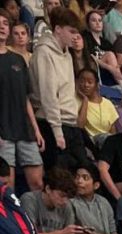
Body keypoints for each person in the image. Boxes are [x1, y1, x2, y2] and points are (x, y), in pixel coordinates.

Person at [30, 6, 90, 170]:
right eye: (71, 31)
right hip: (51, 124)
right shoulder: (44, 53)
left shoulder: (68, 55)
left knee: (84, 172)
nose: (75, 36)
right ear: (57, 30)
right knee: (59, 179)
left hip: (71, 123)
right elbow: (48, 94)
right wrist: (57, 132)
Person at [0, 12, 44, 191]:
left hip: (25, 129)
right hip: (3, 131)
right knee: (6, 188)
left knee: (37, 184)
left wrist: (36, 129)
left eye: (4, 23)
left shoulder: (18, 59)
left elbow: (25, 97)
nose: (2, 26)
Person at [75, 65, 117, 145]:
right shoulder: (77, 102)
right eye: (82, 81)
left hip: (107, 142)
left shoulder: (108, 104)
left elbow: (113, 130)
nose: (86, 85)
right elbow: (80, 126)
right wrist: (85, 100)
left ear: (97, 85)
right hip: (89, 142)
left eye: (90, 82)